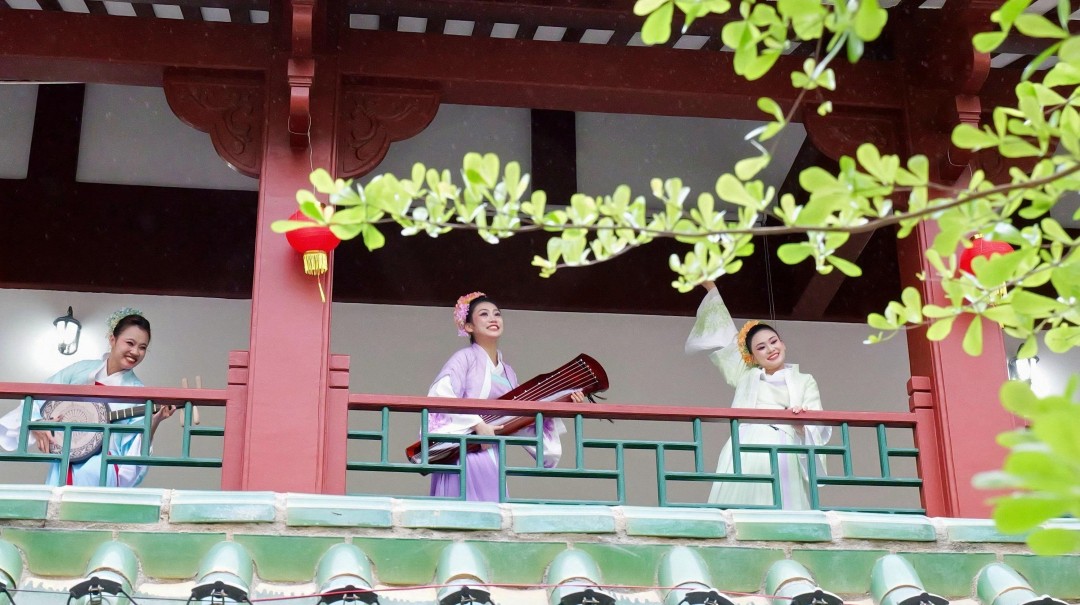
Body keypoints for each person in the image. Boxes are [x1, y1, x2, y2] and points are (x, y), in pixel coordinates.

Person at [685, 281, 831, 509]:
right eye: (761, 347)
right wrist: (711, 287)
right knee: (737, 513)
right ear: (752, 356)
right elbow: (727, 335)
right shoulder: (746, 375)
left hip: (784, 448)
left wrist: (802, 426)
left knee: (782, 510)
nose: (770, 349)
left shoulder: (804, 380)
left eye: (773, 342)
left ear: (783, 344)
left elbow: (818, 421)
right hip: (744, 448)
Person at [425, 291, 583, 502]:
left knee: (493, 510)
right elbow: (441, 396)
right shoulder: (464, 359)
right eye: (484, 314)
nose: (493, 318)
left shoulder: (508, 372)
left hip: (492, 450)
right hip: (465, 449)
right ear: (469, 326)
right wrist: (476, 424)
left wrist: (563, 399)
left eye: (497, 314)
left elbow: (519, 413)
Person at [0, 309, 175, 486]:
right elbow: (37, 397)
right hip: (64, 463)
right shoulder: (80, 370)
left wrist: (154, 421)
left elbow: (135, 447)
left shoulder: (138, 392)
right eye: (130, 343)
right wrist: (36, 423)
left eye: (142, 347)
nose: (135, 352)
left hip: (102, 471)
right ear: (112, 339)